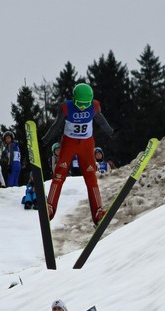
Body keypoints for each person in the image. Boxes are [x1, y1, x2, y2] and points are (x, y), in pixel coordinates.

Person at [41, 83, 116, 225]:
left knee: (91, 177)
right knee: (59, 174)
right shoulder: (66, 107)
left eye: (85, 104)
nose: (82, 107)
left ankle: (98, 212)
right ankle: (50, 207)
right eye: (80, 104)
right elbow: (56, 125)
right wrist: (45, 140)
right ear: (74, 99)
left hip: (86, 145)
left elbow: (101, 121)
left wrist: (111, 132)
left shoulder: (94, 106)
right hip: (69, 143)